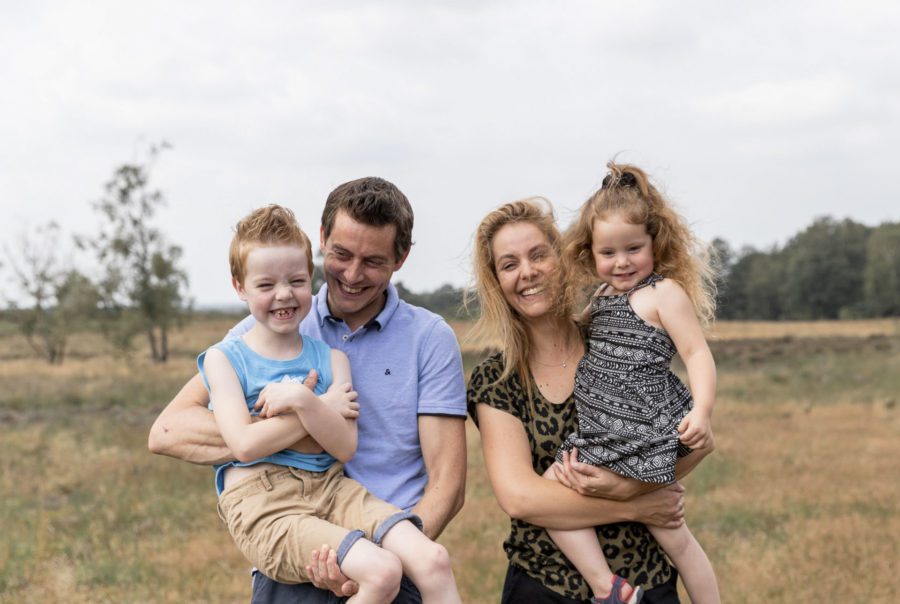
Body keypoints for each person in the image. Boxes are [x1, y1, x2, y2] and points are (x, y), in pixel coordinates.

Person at [149, 177, 468, 604]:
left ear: (401, 258)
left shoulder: (429, 337)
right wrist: (310, 415)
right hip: (295, 546)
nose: (353, 275)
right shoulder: (260, 331)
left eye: (373, 261)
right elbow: (168, 431)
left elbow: (447, 483)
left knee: (420, 565)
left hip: (384, 542)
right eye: (340, 254)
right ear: (322, 241)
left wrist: (388, 559)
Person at [466, 198, 712, 603]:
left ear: (561, 259)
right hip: (544, 585)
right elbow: (521, 498)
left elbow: (697, 443)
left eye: (538, 255)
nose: (527, 273)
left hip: (645, 579)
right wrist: (635, 504)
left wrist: (625, 485)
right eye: (509, 264)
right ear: (496, 281)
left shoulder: (613, 339)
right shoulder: (498, 380)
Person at [542, 163, 720, 603]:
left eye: (633, 248)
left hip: (643, 433)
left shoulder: (663, 294)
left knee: (676, 538)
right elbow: (574, 336)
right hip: (604, 433)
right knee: (552, 490)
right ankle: (611, 588)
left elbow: (697, 353)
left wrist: (701, 410)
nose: (621, 262)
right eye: (608, 253)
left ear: (654, 243)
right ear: (590, 254)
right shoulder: (601, 298)